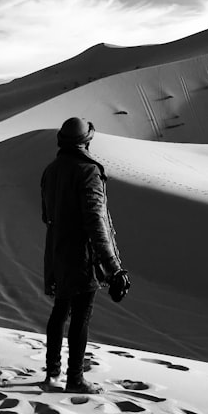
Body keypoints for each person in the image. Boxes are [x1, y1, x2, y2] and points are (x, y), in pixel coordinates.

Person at [41, 117, 131, 394]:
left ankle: (52, 373)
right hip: (82, 256)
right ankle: (75, 379)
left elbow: (47, 216)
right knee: (81, 315)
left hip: (57, 251)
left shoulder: (51, 170)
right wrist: (113, 267)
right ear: (86, 142)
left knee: (60, 310)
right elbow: (96, 221)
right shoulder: (88, 171)